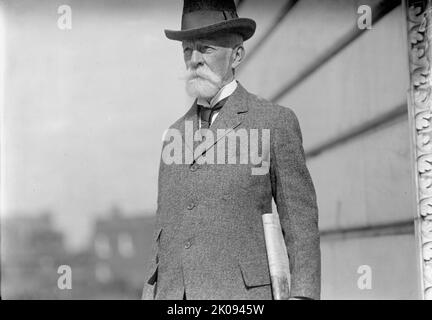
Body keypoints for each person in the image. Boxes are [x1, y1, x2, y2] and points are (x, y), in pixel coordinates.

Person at [142, 0, 320, 300]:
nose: (194, 60)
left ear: (237, 55)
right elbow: (162, 239)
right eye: (188, 50)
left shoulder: (274, 121)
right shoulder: (173, 134)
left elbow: (300, 224)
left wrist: (302, 296)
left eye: (207, 49)